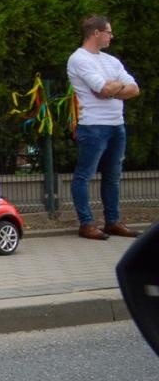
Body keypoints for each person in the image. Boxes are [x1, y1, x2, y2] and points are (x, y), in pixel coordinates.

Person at [66, 14, 141, 240]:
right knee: (84, 175)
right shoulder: (79, 59)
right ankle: (86, 223)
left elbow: (134, 89)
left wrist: (112, 87)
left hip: (117, 125)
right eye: (108, 32)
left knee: (112, 176)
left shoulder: (111, 61)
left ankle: (112, 221)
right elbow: (101, 89)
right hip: (93, 126)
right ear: (96, 33)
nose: (111, 36)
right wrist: (117, 88)